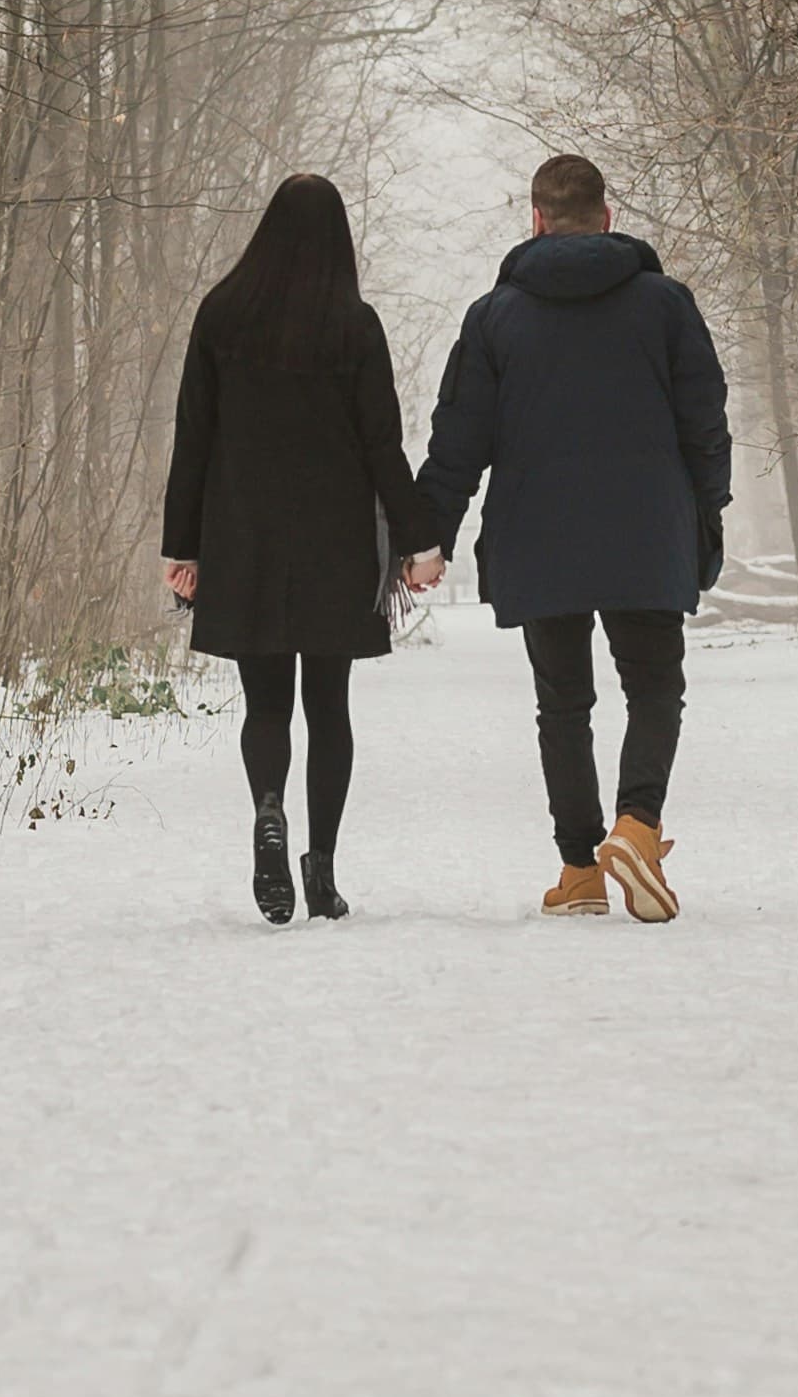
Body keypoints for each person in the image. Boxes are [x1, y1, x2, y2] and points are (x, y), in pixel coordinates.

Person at [409, 151, 729, 921]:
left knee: (563, 703)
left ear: (536, 219)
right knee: (654, 686)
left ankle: (581, 870)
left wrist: (429, 537)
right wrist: (706, 511)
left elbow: (459, 438)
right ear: (607, 218)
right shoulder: (665, 304)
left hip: (537, 533)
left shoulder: (494, 317)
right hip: (647, 529)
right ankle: (637, 825)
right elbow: (705, 422)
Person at [159, 173, 438, 924]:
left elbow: (195, 435)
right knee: (329, 705)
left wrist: (180, 545)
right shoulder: (353, 324)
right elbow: (382, 442)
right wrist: (417, 542)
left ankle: (269, 810)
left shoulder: (221, 315)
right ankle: (321, 868)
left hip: (243, 532)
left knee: (265, 703)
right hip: (334, 540)